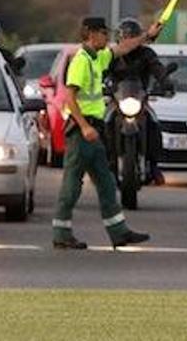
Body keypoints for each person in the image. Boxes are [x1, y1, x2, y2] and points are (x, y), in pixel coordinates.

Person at [52, 16, 158, 250]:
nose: (106, 36)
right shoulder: (81, 60)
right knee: (72, 184)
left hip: (93, 131)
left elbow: (122, 48)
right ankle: (61, 233)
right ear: (90, 34)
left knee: (107, 182)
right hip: (82, 132)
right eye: (103, 32)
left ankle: (119, 232)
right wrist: (84, 126)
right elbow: (70, 96)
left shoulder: (96, 58)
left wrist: (147, 36)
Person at [107, 17, 174, 185]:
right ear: (119, 38)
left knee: (154, 123)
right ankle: (108, 163)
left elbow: (157, 69)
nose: (128, 40)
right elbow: (100, 72)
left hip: (140, 99)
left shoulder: (147, 54)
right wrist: (100, 86)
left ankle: (154, 165)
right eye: (125, 37)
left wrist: (165, 83)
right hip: (117, 99)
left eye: (132, 36)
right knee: (106, 122)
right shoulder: (113, 55)